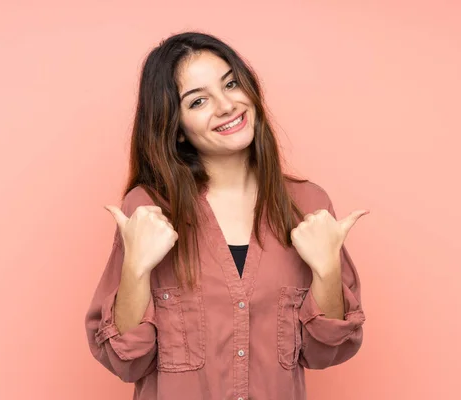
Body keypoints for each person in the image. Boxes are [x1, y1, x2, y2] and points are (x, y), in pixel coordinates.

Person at [84, 31, 369, 400]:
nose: (226, 106)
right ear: (177, 128)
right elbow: (126, 361)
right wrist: (136, 268)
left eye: (231, 84)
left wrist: (327, 269)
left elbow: (325, 351)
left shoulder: (307, 205)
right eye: (199, 100)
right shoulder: (149, 210)